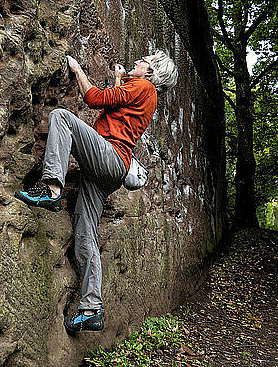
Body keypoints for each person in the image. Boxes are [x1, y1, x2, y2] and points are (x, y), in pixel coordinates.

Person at [14, 51, 178, 334]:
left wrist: (77, 69)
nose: (138, 60)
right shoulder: (143, 93)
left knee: (61, 117)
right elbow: (114, 113)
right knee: (85, 232)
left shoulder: (144, 87)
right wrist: (117, 80)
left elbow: (94, 98)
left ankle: (52, 188)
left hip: (109, 156)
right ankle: (91, 309)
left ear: (150, 73)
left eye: (144, 61)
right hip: (111, 171)